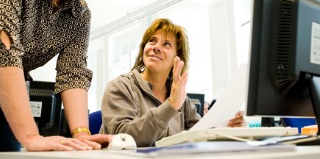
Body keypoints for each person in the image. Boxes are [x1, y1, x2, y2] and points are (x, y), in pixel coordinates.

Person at [0, 0, 125, 158]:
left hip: (3, 101)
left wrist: (81, 134)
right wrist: (31, 137)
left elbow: (73, 73)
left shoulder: (80, 14)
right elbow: (4, 53)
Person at [101, 18, 245, 147]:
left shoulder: (182, 99)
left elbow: (199, 135)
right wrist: (170, 106)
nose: (156, 47)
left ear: (177, 58)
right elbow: (123, 140)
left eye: (166, 44)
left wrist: (226, 130)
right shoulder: (120, 87)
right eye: (152, 40)